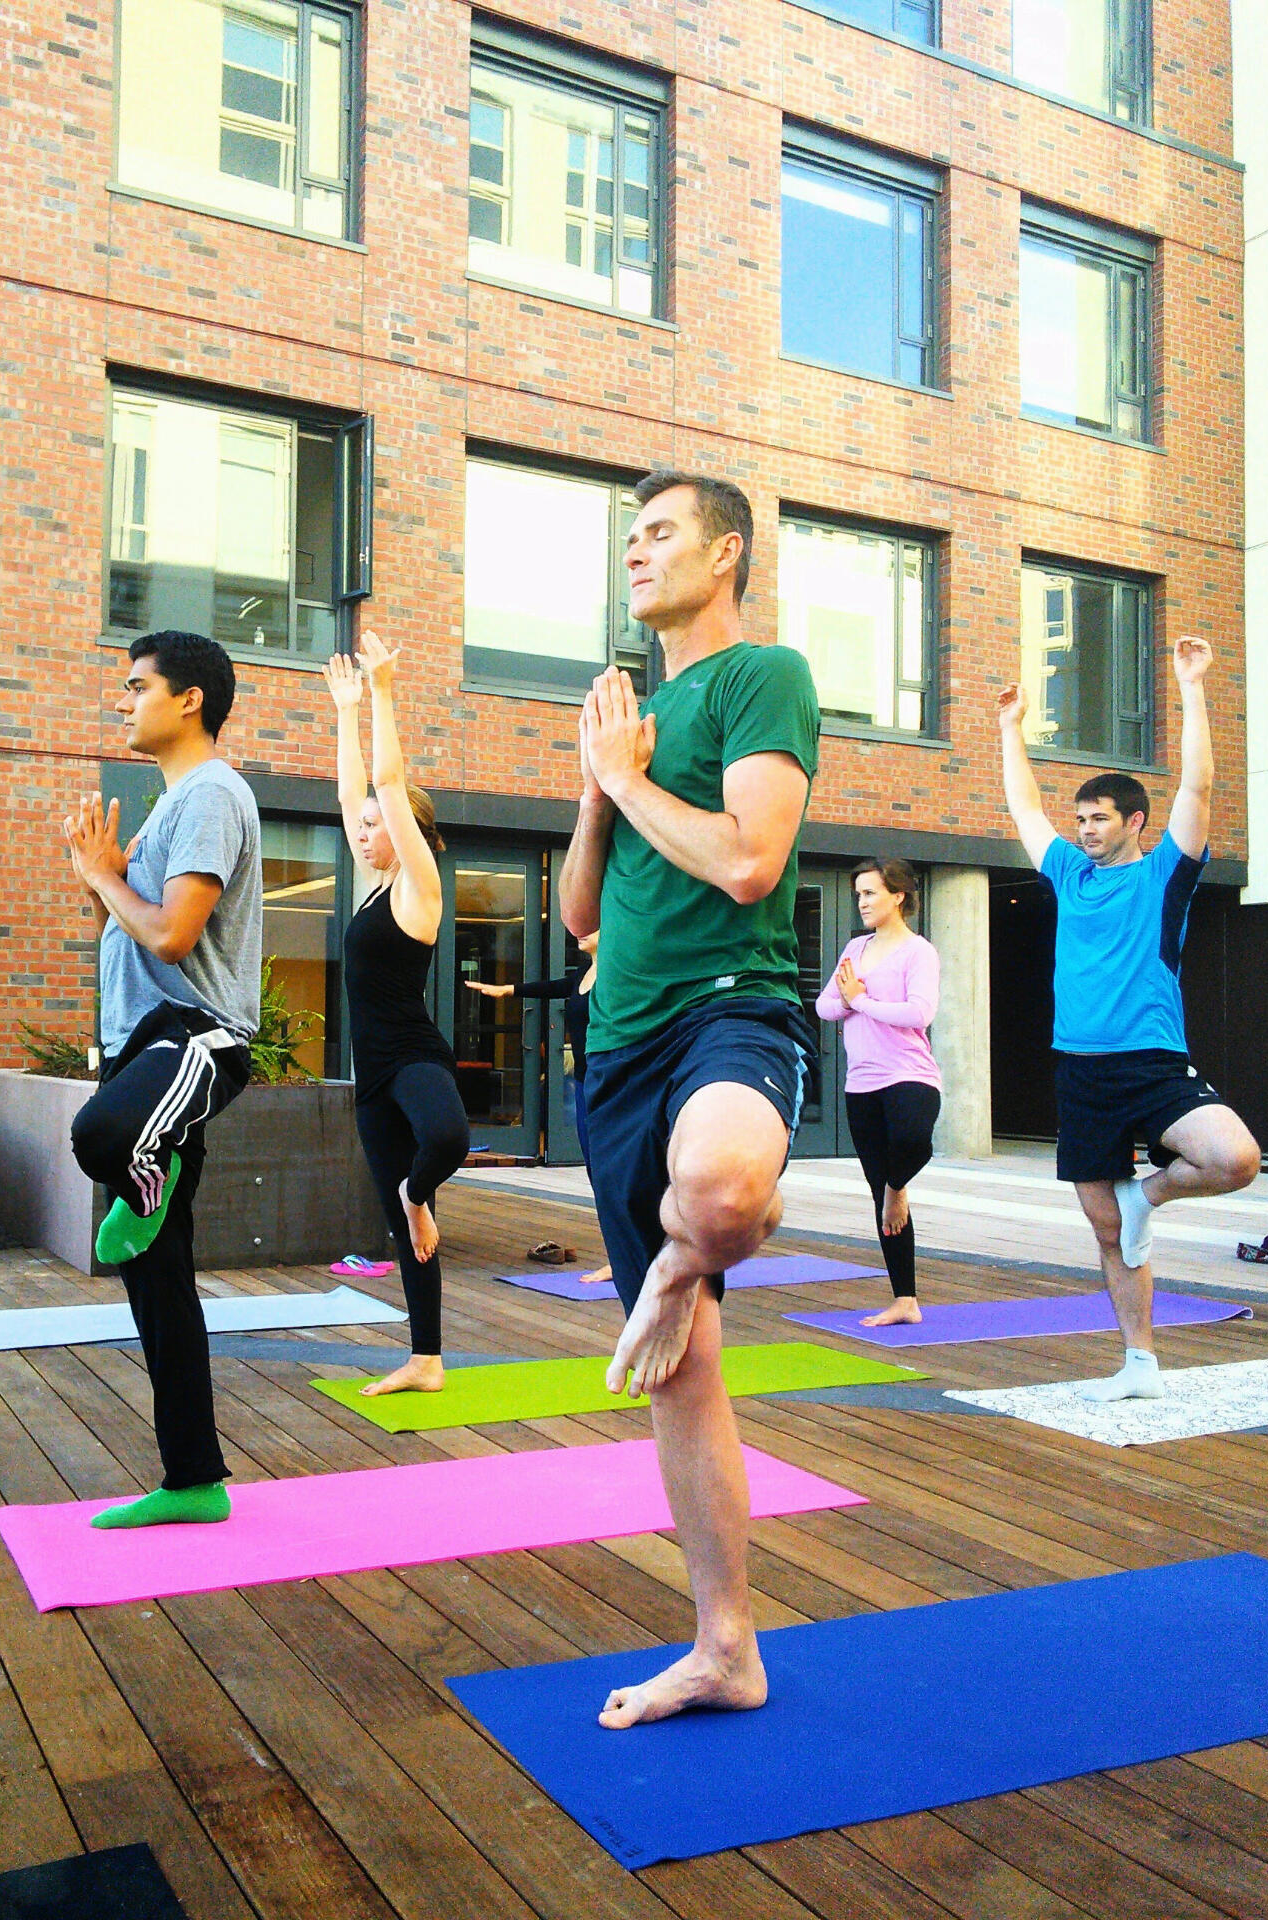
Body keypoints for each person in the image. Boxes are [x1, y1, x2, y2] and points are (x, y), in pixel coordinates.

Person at [560, 470, 819, 1728]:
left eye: (659, 532)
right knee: (686, 1374)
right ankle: (726, 1648)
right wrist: (594, 785)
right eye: (630, 537)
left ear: (725, 554)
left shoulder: (762, 676)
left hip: (731, 1004)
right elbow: (578, 914)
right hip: (619, 1047)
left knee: (717, 1193)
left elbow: (748, 860)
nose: (636, 551)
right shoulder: (630, 718)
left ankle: (694, 1253)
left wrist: (630, 780)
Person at [998, 637, 1260, 1401]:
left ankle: (1149, 1196)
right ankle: (1139, 1362)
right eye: (1079, 818)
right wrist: (1011, 731)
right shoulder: (1067, 874)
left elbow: (1199, 787)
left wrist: (1192, 686)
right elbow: (1024, 808)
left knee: (1235, 1158)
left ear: (1135, 821)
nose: (1084, 829)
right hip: (1080, 1071)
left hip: (1153, 1062)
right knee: (1108, 1230)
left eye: (1099, 819)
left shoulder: (1164, 876)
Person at [65, 631, 261, 1527]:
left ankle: (152, 1171)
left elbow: (173, 936)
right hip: (141, 1047)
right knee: (158, 1278)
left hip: (195, 1036)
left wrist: (106, 878)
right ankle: (194, 1479)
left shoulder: (212, 793)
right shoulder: (170, 805)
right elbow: (124, 921)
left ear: (190, 700)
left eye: (137, 686)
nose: (122, 700)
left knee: (103, 1136)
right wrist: (102, 878)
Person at [323, 631, 470, 1397]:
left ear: (405, 832)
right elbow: (354, 793)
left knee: (445, 1140)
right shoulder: (372, 885)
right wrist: (345, 711)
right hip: (370, 1074)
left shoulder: (418, 887)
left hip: (413, 1055)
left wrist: (381, 693)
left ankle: (418, 1195)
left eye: (377, 824)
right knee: (407, 1231)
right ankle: (426, 1358)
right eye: (364, 825)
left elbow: (383, 782)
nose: (363, 829)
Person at [815, 859, 941, 1327]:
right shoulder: (855, 948)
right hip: (861, 1082)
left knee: (912, 1143)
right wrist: (849, 1001)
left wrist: (861, 1000)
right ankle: (905, 1299)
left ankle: (897, 1185)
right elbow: (825, 1005)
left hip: (909, 1073)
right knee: (879, 1195)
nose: (862, 902)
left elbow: (919, 1013)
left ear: (898, 896)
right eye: (859, 895)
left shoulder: (918, 952)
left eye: (870, 893)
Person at [466, 929, 613, 1284]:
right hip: (586, 1086)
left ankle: (633, 1256)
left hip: (614, 1085)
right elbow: (555, 987)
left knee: (616, 1173)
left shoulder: (621, 973)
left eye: (591, 925)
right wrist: (509, 990)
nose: (579, 930)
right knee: (598, 1173)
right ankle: (621, 1255)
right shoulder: (584, 973)